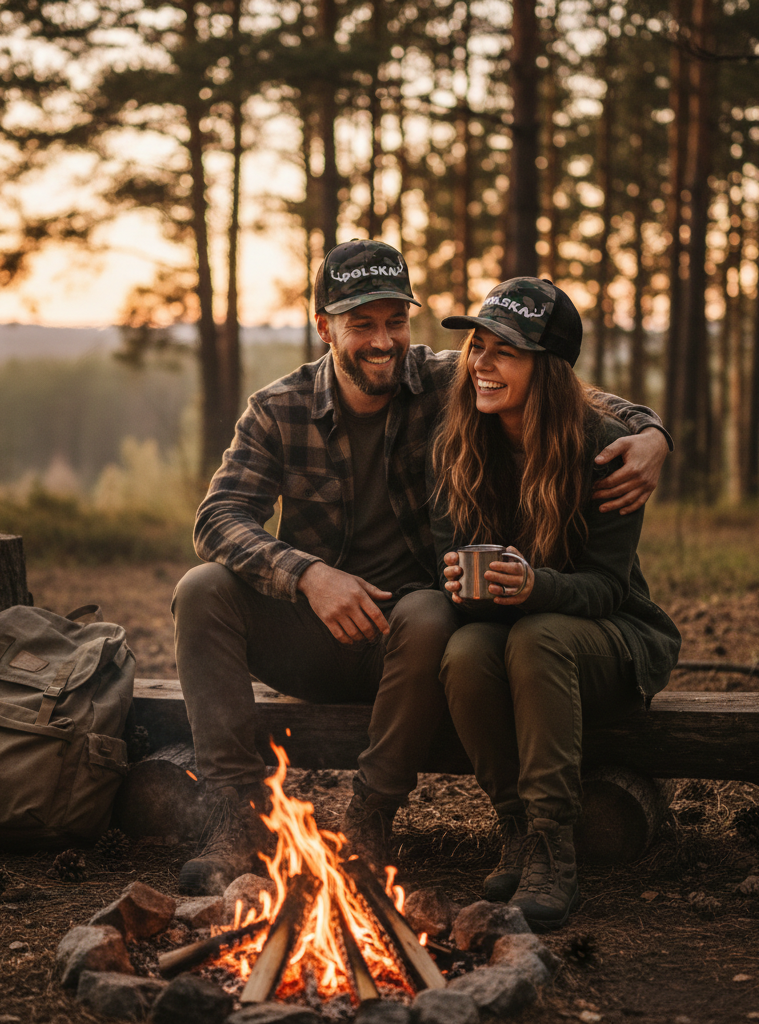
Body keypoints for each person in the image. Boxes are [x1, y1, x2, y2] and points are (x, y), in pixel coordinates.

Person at [171, 240, 673, 895]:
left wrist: (654, 434)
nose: (383, 341)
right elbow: (217, 520)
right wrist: (307, 575)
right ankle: (238, 821)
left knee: (432, 608)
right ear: (324, 327)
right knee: (202, 587)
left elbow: (560, 388)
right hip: (313, 634)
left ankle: (370, 817)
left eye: (396, 321)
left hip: (414, 640)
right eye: (362, 324)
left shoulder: (444, 378)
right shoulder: (279, 408)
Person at [426, 276, 681, 932]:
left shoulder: (603, 450)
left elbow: (607, 587)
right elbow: (454, 556)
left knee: (538, 635)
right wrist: (463, 586)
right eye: (476, 348)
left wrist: (536, 586)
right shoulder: (461, 444)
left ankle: (551, 845)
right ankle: (514, 825)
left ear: (547, 369)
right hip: (515, 633)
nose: (479, 365)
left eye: (502, 352)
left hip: (613, 637)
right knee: (463, 650)